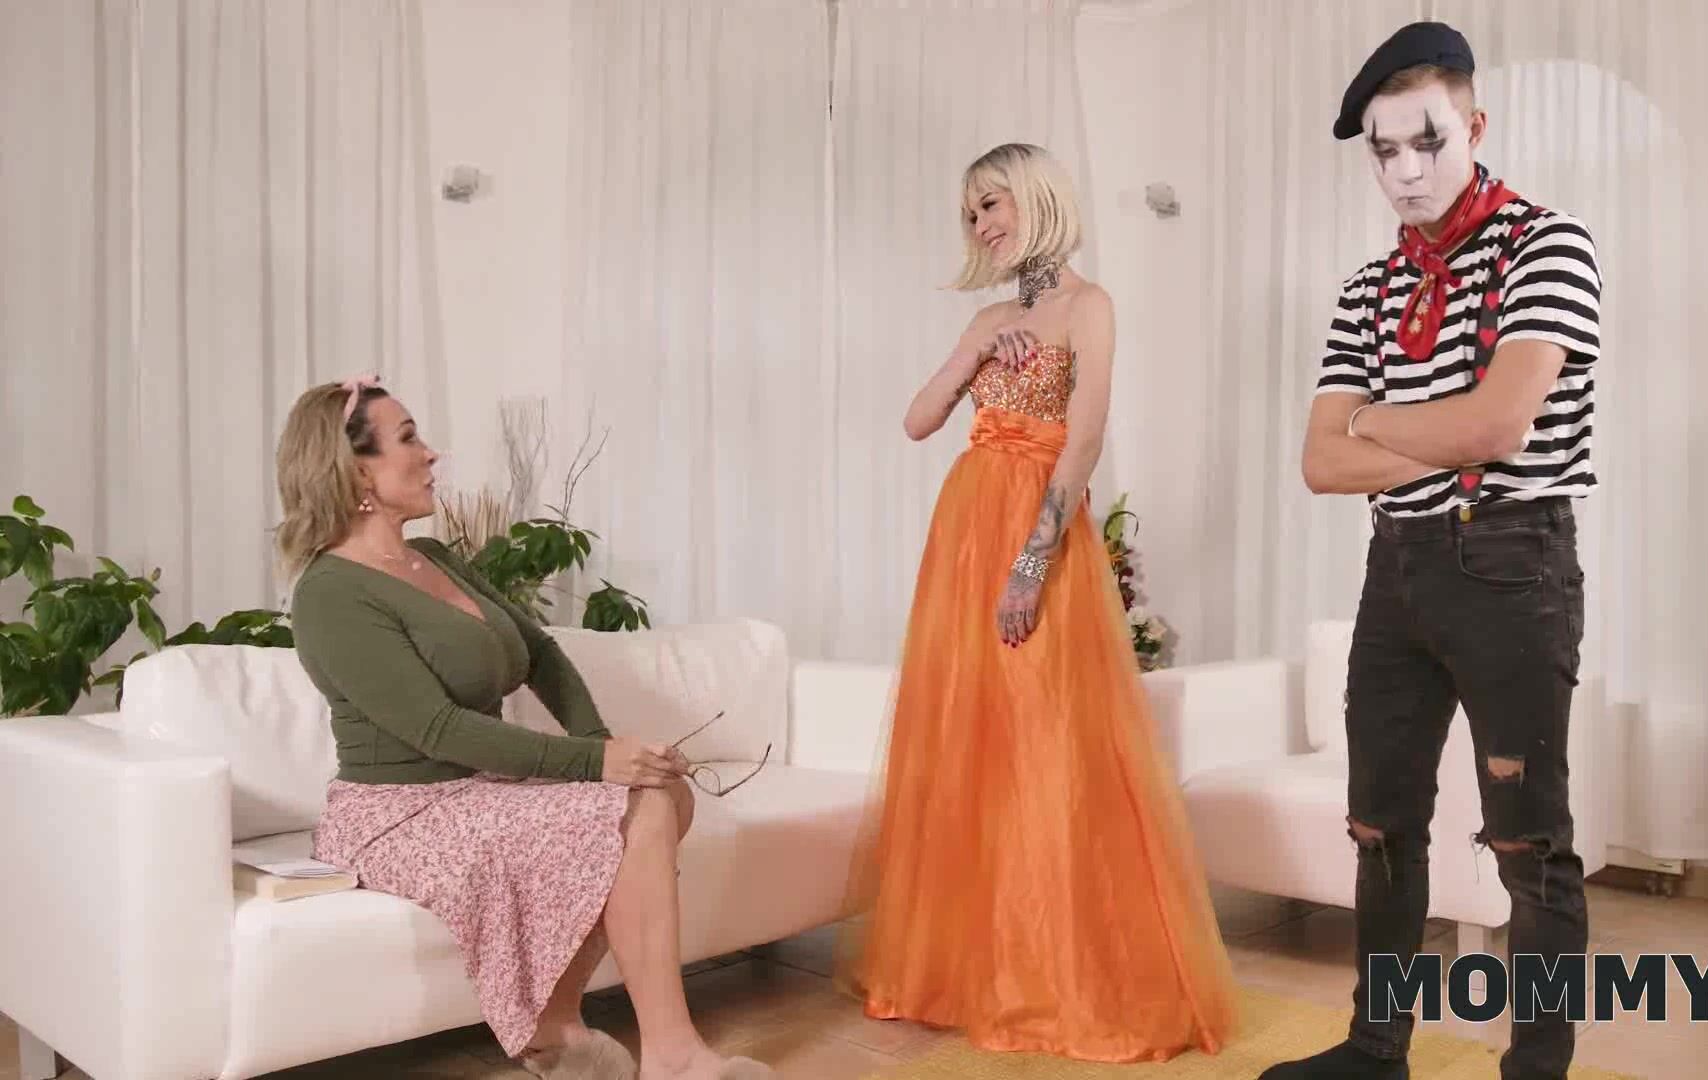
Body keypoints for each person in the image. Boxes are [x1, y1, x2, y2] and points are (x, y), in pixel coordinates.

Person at [833, 142, 1238, 1063]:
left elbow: (1084, 442)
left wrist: (1031, 562)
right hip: (963, 534)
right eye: (971, 211)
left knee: (1046, 744)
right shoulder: (987, 318)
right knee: (966, 737)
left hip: (1036, 538)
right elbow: (918, 420)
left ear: (1038, 198)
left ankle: (1055, 975)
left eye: (993, 203)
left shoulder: (1090, 307)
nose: (981, 223)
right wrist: (976, 352)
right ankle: (970, 971)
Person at [1260, 22, 1602, 1080]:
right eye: (1383, 151)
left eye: (1427, 142)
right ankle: (1376, 1052)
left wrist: (1376, 422)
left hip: (1512, 562)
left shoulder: (1548, 245)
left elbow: (1497, 427)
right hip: (1396, 568)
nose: (1405, 171)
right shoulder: (1370, 287)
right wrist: (1432, 432)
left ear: (1475, 127)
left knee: (1527, 842)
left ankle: (1536, 1068)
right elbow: (1320, 463)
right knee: (1379, 824)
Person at [276, 375, 774, 1080]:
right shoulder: (329, 593)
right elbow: (438, 729)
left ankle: (555, 1028)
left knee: (664, 793)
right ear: (357, 471)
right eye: (409, 438)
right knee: (635, 808)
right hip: (398, 812)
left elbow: (540, 651)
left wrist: (600, 745)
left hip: (478, 785)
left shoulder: (436, 559)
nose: (431, 453)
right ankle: (674, 1056)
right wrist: (597, 766)